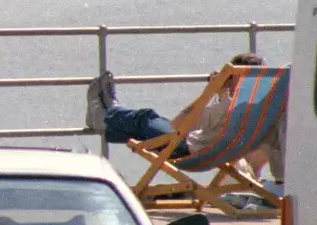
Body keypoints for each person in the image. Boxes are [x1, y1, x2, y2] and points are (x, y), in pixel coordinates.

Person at [86, 52, 283, 183]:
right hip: (216, 155)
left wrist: (210, 90)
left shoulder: (226, 108)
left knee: (145, 118)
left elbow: (178, 124)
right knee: (142, 128)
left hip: (184, 150)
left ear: (235, 77)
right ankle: (107, 118)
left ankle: (106, 114)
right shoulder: (261, 109)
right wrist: (223, 93)